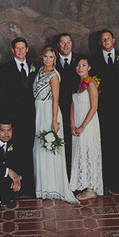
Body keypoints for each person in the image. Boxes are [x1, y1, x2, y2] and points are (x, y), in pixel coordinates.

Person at [33, 46, 79, 204]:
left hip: (49, 112)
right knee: (40, 148)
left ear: (55, 59)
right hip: (39, 111)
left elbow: (56, 99)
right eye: (46, 56)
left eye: (51, 57)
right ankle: (43, 187)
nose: (48, 59)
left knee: (50, 149)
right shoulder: (40, 71)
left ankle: (53, 187)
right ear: (42, 57)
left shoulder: (54, 75)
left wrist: (54, 120)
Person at [92, 29, 119, 192]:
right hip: (103, 109)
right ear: (100, 43)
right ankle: (106, 179)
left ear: (113, 40)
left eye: (108, 38)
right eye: (103, 39)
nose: (106, 41)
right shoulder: (93, 60)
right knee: (106, 144)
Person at [0, 37, 36, 196]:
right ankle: (13, 187)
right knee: (14, 153)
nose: (20, 51)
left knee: (29, 151)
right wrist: (5, 121)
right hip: (12, 119)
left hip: (31, 119)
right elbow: (1, 96)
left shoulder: (34, 67)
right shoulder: (5, 69)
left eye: (22, 48)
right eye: (17, 48)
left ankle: (28, 186)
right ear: (12, 50)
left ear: (27, 49)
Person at [70, 57, 103, 200]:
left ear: (89, 67)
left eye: (84, 65)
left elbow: (94, 107)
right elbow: (72, 106)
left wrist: (83, 126)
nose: (80, 68)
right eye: (78, 65)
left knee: (89, 152)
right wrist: (72, 124)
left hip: (88, 124)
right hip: (77, 123)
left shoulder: (91, 83)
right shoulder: (77, 84)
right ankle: (82, 184)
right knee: (80, 152)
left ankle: (91, 189)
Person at [56, 33, 80, 177]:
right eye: (62, 42)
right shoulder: (52, 62)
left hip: (78, 108)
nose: (66, 45)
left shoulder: (80, 61)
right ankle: (63, 175)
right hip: (58, 108)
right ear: (58, 45)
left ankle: (76, 175)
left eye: (68, 42)